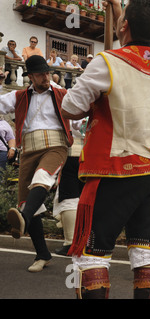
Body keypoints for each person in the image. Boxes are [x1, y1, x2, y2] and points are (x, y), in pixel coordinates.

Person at [61, 0, 150, 299]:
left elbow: (70, 107)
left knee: (93, 254)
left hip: (115, 169)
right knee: (145, 251)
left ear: (124, 25)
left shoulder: (107, 61)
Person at [0, 55, 72, 272]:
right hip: (29, 150)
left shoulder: (63, 94)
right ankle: (42, 254)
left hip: (56, 146)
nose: (46, 77)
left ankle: (22, 219)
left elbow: (79, 119)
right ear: (30, 76)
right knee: (27, 202)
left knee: (43, 177)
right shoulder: (18, 96)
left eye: (48, 73)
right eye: (41, 74)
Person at [52, 119, 86, 255]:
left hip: (72, 153)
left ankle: (71, 242)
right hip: (93, 156)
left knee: (69, 198)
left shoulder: (70, 100)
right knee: (88, 198)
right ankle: (88, 242)